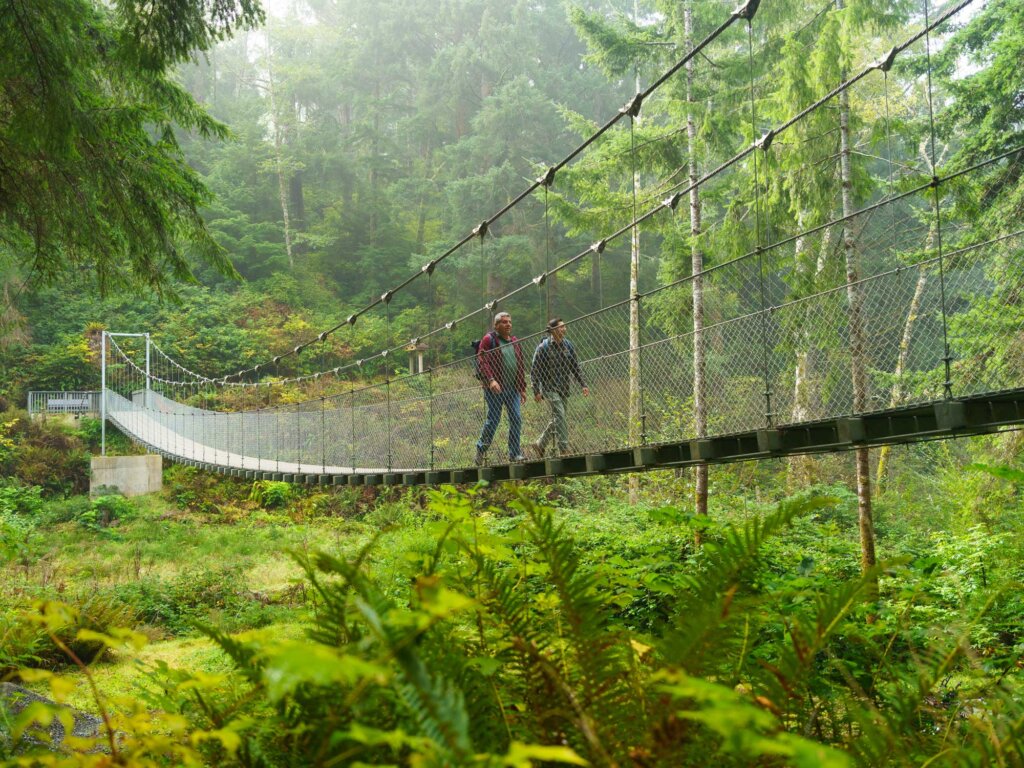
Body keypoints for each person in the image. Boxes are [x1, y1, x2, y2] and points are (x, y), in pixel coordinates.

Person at [529, 318, 589, 457]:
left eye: (564, 326)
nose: (564, 329)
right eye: (561, 327)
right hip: (549, 388)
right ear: (553, 330)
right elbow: (535, 371)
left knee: (558, 418)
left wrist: (583, 384)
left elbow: (575, 367)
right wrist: (536, 391)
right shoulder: (543, 347)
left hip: (564, 388)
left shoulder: (568, 345)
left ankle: (540, 444)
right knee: (560, 415)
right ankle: (564, 449)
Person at [475, 312, 527, 463]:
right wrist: (491, 380)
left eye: (509, 322)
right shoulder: (489, 339)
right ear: (496, 325)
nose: (508, 324)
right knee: (494, 419)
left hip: (513, 389)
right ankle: (481, 448)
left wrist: (522, 387)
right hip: (494, 389)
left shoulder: (515, 341)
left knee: (516, 418)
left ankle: (514, 453)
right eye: (504, 322)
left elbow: (520, 365)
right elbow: (481, 360)